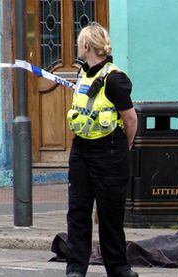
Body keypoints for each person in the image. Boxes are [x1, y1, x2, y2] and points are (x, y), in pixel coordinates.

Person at [65, 23, 138, 277]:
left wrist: (125, 145)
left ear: (86, 46)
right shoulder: (82, 74)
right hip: (81, 151)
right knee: (78, 212)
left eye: (79, 42)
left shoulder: (115, 78)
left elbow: (130, 119)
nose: (78, 46)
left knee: (110, 215)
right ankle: (75, 268)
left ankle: (118, 268)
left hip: (109, 152)